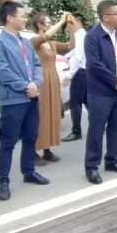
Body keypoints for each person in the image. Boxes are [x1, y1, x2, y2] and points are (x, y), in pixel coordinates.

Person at [0, 1, 48, 202]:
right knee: (9, 142)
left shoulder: (25, 42)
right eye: (21, 16)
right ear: (10, 18)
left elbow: (37, 65)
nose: (24, 19)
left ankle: (29, 172)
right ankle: (3, 182)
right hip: (13, 100)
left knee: (31, 137)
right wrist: (25, 86)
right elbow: (2, 71)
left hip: (31, 97)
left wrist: (36, 83)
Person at [84, 0, 117, 185]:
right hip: (101, 92)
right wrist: (115, 81)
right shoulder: (93, 36)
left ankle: (112, 160)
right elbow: (94, 64)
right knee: (97, 130)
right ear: (106, 17)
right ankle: (91, 166)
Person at [30, 12, 75, 164]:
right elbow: (45, 36)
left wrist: (71, 30)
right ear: (39, 25)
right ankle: (32, 151)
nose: (50, 25)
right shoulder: (34, 41)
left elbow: (71, 46)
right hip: (41, 80)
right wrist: (61, 21)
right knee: (40, 115)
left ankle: (47, 149)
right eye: (48, 23)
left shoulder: (52, 43)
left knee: (51, 114)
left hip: (53, 80)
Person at [62, 13, 89, 141]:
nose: (66, 26)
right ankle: (101, 124)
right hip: (85, 72)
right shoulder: (83, 35)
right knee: (87, 101)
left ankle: (76, 131)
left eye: (67, 23)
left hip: (79, 72)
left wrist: (69, 76)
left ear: (74, 23)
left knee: (75, 103)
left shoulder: (79, 37)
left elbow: (77, 58)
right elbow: (73, 53)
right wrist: (62, 57)